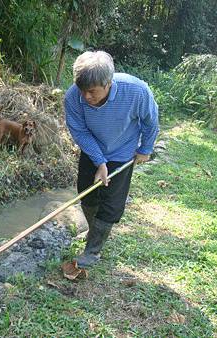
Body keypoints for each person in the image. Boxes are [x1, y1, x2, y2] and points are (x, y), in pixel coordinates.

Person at [65, 51, 159, 268]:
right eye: (82, 90)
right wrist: (99, 161)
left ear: (108, 83)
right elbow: (79, 131)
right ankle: (93, 231)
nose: (86, 96)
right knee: (86, 193)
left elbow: (150, 120)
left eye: (92, 91)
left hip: (122, 152)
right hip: (92, 150)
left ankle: (93, 251)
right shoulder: (73, 97)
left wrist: (145, 148)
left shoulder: (136, 91)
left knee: (112, 203)